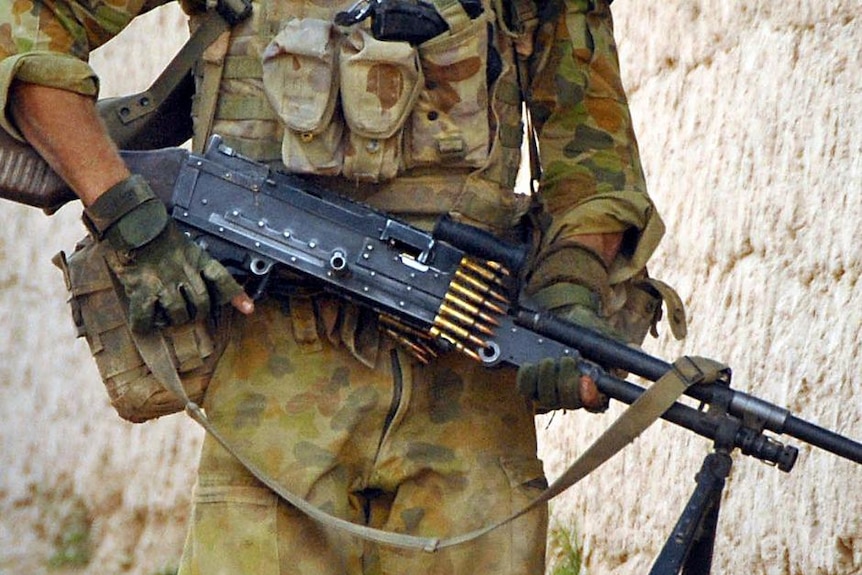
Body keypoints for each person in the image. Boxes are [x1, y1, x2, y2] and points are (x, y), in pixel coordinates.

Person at [0, 0, 672, 571]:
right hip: (273, 392)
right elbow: (27, 27)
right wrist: (127, 215)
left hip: (468, 383)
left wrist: (570, 295)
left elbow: (594, 163)